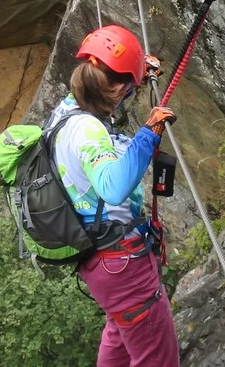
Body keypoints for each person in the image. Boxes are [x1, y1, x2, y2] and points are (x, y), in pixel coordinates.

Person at [46, 24, 180, 367]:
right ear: (117, 88)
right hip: (123, 262)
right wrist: (149, 134)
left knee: (120, 335)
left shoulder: (66, 113)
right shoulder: (87, 131)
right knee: (157, 359)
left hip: (102, 261)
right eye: (127, 86)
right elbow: (113, 187)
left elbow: (107, 106)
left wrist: (133, 77)